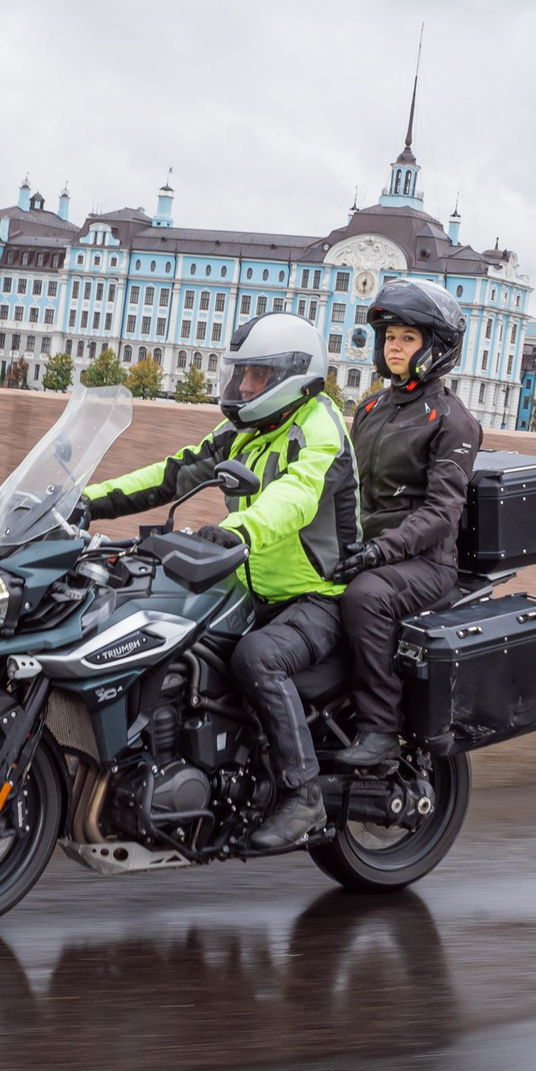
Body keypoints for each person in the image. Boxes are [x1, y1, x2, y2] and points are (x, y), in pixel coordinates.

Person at [80, 313, 359, 850]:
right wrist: (87, 502)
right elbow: (173, 472)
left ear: (293, 378)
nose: (244, 387)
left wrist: (236, 532)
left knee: (258, 657)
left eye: (257, 376)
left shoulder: (320, 430)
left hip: (317, 595)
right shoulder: (245, 430)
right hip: (252, 587)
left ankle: (303, 795)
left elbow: (294, 498)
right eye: (242, 374)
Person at [327, 277, 482, 770]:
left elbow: (441, 514)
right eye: (390, 336)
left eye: (408, 338)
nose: (394, 346)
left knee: (365, 597)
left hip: (426, 564)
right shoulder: (370, 408)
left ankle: (380, 731)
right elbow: (345, 487)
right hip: (369, 551)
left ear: (435, 348)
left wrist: (377, 552)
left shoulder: (452, 420)